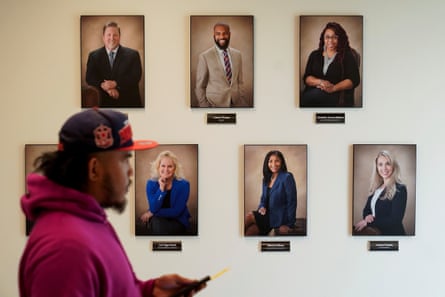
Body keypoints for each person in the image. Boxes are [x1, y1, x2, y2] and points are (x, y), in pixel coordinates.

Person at [19, 108, 205, 297]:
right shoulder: (65, 249)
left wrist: (148, 291)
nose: (130, 172)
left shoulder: (88, 222)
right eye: (124, 160)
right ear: (94, 169)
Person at [301, 22, 360, 107]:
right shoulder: (315, 54)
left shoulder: (348, 55)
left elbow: (354, 80)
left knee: (307, 98)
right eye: (327, 37)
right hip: (313, 93)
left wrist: (333, 88)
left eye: (335, 37)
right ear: (323, 38)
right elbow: (307, 78)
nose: (330, 41)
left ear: (341, 38)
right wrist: (321, 82)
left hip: (336, 96)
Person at [85, 21, 143, 108]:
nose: (112, 38)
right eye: (108, 35)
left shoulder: (133, 55)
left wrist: (115, 83)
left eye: (115, 35)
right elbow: (89, 77)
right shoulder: (93, 56)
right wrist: (105, 86)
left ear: (119, 37)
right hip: (102, 106)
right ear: (103, 37)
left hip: (128, 104)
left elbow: (135, 77)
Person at [195, 22, 249, 107]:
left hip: (236, 103)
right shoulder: (205, 56)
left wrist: (241, 99)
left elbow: (240, 82)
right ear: (214, 35)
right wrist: (204, 106)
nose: (222, 37)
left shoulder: (238, 55)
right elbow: (200, 87)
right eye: (218, 34)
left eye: (225, 33)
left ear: (229, 34)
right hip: (214, 105)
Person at [354, 150, 408, 235]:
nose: (384, 168)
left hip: (392, 236)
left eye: (388, 164)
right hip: (376, 234)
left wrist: (368, 223)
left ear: (393, 166)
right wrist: (367, 216)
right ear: (377, 167)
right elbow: (367, 210)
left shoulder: (400, 189)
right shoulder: (376, 188)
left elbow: (395, 220)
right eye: (380, 164)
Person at [244, 150, 297, 236]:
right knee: (250, 232)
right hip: (266, 215)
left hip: (279, 218)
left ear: (281, 162)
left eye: (277, 161)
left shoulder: (287, 177)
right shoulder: (266, 179)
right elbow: (263, 199)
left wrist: (289, 224)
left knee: (249, 216)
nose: (273, 164)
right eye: (270, 161)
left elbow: (292, 201)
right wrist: (262, 207)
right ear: (267, 163)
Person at [140, 151, 191, 235]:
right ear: (158, 167)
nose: (166, 169)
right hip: (158, 219)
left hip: (178, 220)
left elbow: (176, 211)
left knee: (162, 227)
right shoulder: (151, 183)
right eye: (163, 166)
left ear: (175, 168)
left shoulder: (184, 185)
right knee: (158, 224)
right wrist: (161, 189)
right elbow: (153, 207)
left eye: (170, 166)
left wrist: (152, 212)